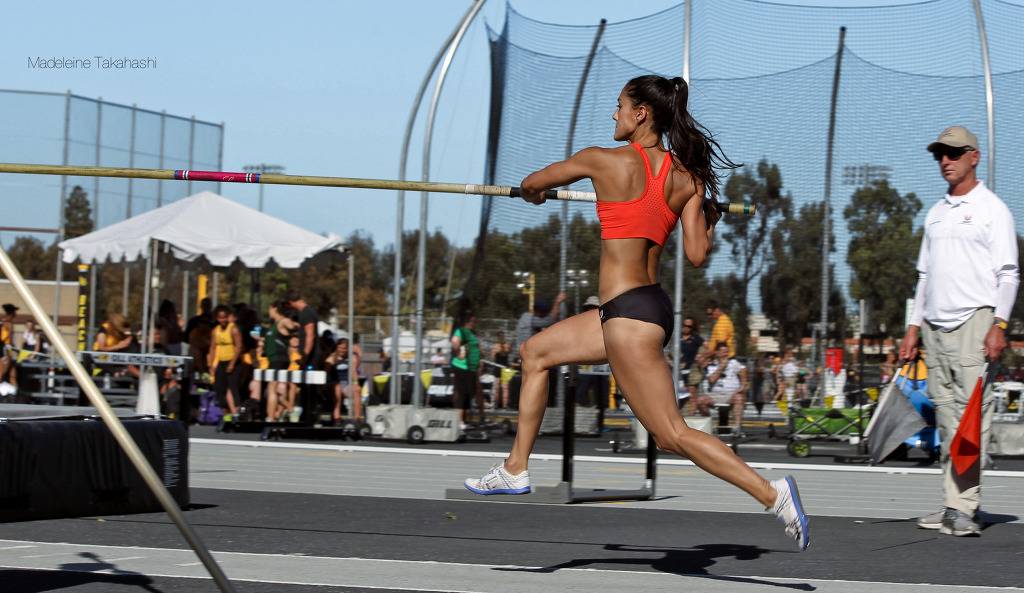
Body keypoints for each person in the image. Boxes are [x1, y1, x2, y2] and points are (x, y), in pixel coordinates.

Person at [462, 74, 809, 550]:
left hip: (627, 318)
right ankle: (516, 467)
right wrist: (707, 214)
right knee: (535, 352)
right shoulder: (687, 178)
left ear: (641, 112)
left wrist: (533, 194)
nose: (614, 113)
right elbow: (697, 255)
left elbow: (531, 183)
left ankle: (773, 494)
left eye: (620, 105)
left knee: (671, 434)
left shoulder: (600, 161)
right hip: (639, 309)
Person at [899, 125, 1018, 537]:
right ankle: (952, 505)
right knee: (948, 422)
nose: (945, 161)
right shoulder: (935, 213)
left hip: (976, 323)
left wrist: (998, 324)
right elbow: (924, 275)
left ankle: (965, 507)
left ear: (974, 157)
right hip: (934, 326)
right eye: (939, 155)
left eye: (953, 153)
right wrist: (912, 328)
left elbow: (1008, 274)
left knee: (971, 421)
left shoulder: (992, 209)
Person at [697, 341, 749, 433]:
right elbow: (712, 380)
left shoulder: (733, 363)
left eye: (727, 352)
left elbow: (743, 369)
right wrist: (721, 367)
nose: (726, 354)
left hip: (730, 396)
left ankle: (737, 428)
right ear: (717, 353)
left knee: (739, 397)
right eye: (723, 352)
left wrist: (743, 384)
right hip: (714, 396)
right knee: (701, 400)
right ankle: (708, 425)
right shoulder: (711, 364)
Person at [264, 301, 298, 422]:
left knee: (272, 389)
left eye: (269, 309)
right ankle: (288, 409)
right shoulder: (274, 325)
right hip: (273, 359)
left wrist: (295, 333)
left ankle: (271, 417)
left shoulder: (283, 321)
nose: (268, 312)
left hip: (279, 359)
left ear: (274, 308)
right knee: (272, 389)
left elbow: (294, 326)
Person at [575, 296, 610, 410]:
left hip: (602, 364)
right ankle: (583, 413)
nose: (591, 310)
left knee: (602, 393)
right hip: (586, 363)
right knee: (582, 390)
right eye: (589, 308)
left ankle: (601, 416)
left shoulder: (606, 323)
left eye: (594, 308)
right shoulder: (581, 323)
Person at [208, 305, 243, 416]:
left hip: (233, 361)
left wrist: (232, 363)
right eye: (220, 318)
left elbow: (239, 346)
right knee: (219, 386)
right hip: (221, 361)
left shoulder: (233, 329)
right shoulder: (215, 331)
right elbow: (213, 348)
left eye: (224, 317)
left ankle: (237, 411)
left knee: (233, 386)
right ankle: (225, 411)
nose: (222, 320)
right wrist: (211, 365)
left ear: (228, 317)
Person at [451, 312, 482, 427]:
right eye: (472, 321)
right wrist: (458, 350)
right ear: (467, 322)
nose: (474, 323)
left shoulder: (472, 333)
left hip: (471, 368)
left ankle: (464, 420)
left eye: (475, 321)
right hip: (462, 367)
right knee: (461, 394)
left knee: (469, 394)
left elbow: (476, 347)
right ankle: (459, 422)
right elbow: (455, 341)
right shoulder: (462, 331)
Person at [287, 291, 319, 369]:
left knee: (309, 380)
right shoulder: (305, 312)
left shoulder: (307, 313)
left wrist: (305, 355)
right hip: (307, 356)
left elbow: (310, 335)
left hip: (310, 357)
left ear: (290, 302)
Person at [680, 316, 704, 413]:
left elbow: (708, 348)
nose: (686, 327)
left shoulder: (696, 339)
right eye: (684, 325)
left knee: (692, 395)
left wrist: (701, 356)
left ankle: (691, 417)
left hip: (692, 371)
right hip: (679, 372)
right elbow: (671, 354)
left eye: (689, 326)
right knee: (679, 397)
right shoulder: (678, 338)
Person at [490, 330, 513, 409]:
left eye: (502, 336)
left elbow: (507, 352)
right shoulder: (495, 346)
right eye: (500, 336)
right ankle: (495, 404)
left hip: (506, 368)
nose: (501, 337)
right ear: (497, 337)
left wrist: (502, 348)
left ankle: (505, 405)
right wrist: (497, 350)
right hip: (497, 367)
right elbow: (493, 357)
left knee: (506, 387)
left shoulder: (507, 345)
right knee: (496, 386)